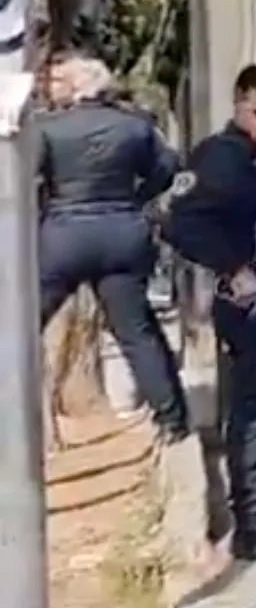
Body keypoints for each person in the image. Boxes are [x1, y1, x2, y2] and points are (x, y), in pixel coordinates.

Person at [164, 64, 256, 558]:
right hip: (248, 305)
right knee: (254, 411)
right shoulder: (220, 157)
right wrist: (232, 267)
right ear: (240, 106)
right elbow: (180, 223)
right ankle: (254, 524)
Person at [37, 54, 190, 442]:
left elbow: (30, 177)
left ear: (76, 86)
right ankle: (171, 419)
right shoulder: (135, 125)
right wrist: (136, 199)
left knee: (21, 324)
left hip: (64, 235)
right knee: (136, 331)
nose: (49, 87)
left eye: (57, 80)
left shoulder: (47, 128)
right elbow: (167, 167)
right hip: (123, 232)